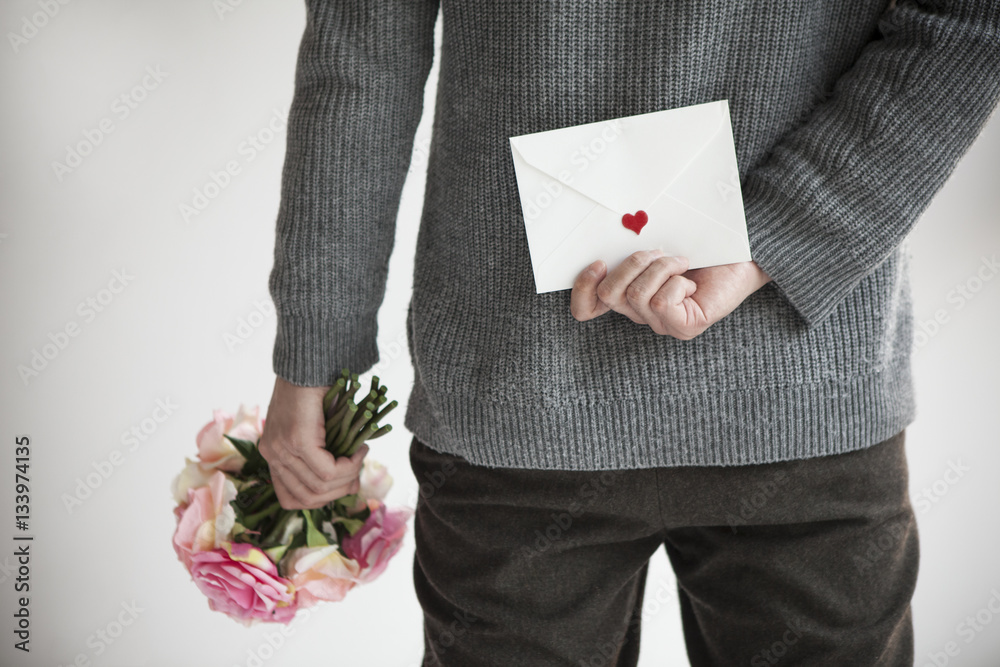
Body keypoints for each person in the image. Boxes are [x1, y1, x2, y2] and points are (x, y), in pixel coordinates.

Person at [257, 1, 1000, 664]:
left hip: (524, 393)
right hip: (795, 384)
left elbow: (360, 64)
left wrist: (312, 365)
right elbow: (966, 26)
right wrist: (771, 243)